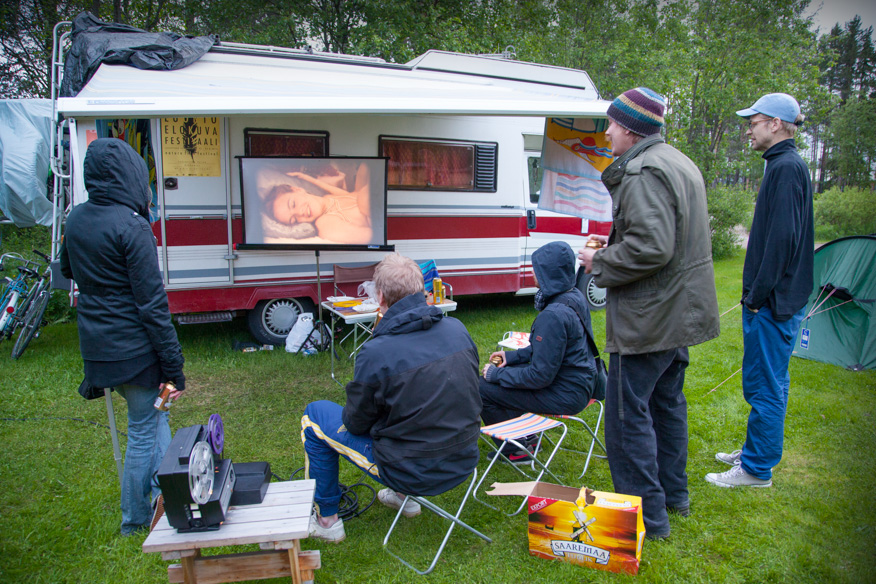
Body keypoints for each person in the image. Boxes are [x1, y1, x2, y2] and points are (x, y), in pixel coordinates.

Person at [577, 87, 719, 539]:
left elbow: (653, 246)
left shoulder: (642, 170)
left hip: (650, 317)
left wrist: (599, 262)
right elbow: (666, 237)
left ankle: (647, 517)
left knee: (627, 417)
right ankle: (674, 497)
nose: (607, 132)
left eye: (612, 124)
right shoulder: (678, 160)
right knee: (666, 406)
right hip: (676, 312)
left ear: (630, 128)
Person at [300, 253, 482, 543]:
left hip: (412, 471)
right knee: (407, 411)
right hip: (464, 459)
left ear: (380, 296)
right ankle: (402, 499)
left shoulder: (378, 352)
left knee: (314, 415)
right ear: (421, 290)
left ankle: (327, 521)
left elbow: (356, 423)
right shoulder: (457, 329)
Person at [60, 138, 185, 535]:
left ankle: (170, 498)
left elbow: (68, 270)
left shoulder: (75, 219)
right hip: (133, 348)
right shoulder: (133, 225)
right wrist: (174, 367)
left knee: (154, 418)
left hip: (98, 345)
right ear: (130, 174)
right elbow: (152, 305)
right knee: (143, 430)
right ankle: (134, 520)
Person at [705, 93, 814, 489]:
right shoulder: (784, 166)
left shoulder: (785, 168)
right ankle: (757, 453)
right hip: (778, 301)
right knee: (772, 383)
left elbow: (782, 240)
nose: (747, 128)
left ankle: (754, 470)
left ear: (776, 124)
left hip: (772, 303)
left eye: (754, 121)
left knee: (764, 385)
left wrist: (756, 296)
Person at [480, 241, 597, 463]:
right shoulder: (573, 297)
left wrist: (497, 375)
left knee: (482, 388)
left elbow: (539, 376)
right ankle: (528, 438)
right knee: (506, 376)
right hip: (580, 382)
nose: (533, 272)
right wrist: (512, 357)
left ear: (546, 273)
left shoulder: (553, 315)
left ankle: (517, 449)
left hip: (567, 394)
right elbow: (548, 350)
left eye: (536, 268)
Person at [265, 162, 372, 244]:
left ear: (298, 189)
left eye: (293, 204)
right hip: (375, 215)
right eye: (294, 219)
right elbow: (371, 237)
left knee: (365, 166)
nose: (300, 213)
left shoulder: (328, 198)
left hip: (360, 195)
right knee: (363, 199)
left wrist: (307, 178)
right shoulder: (324, 224)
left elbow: (348, 195)